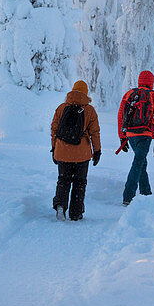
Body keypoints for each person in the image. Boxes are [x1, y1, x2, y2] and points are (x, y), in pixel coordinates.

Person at [50, 80, 101, 221]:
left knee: (63, 180)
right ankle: (76, 212)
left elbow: (54, 130)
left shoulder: (61, 108)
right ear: (85, 93)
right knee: (80, 182)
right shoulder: (89, 110)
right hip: (82, 154)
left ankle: (60, 205)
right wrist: (97, 151)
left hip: (62, 151)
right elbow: (95, 132)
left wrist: (54, 148)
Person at [117, 70, 154, 206]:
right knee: (138, 163)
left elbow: (121, 116)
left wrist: (122, 136)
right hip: (145, 135)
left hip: (131, 135)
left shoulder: (129, 94)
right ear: (151, 82)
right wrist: (151, 125)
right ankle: (128, 196)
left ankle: (146, 193)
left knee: (141, 162)